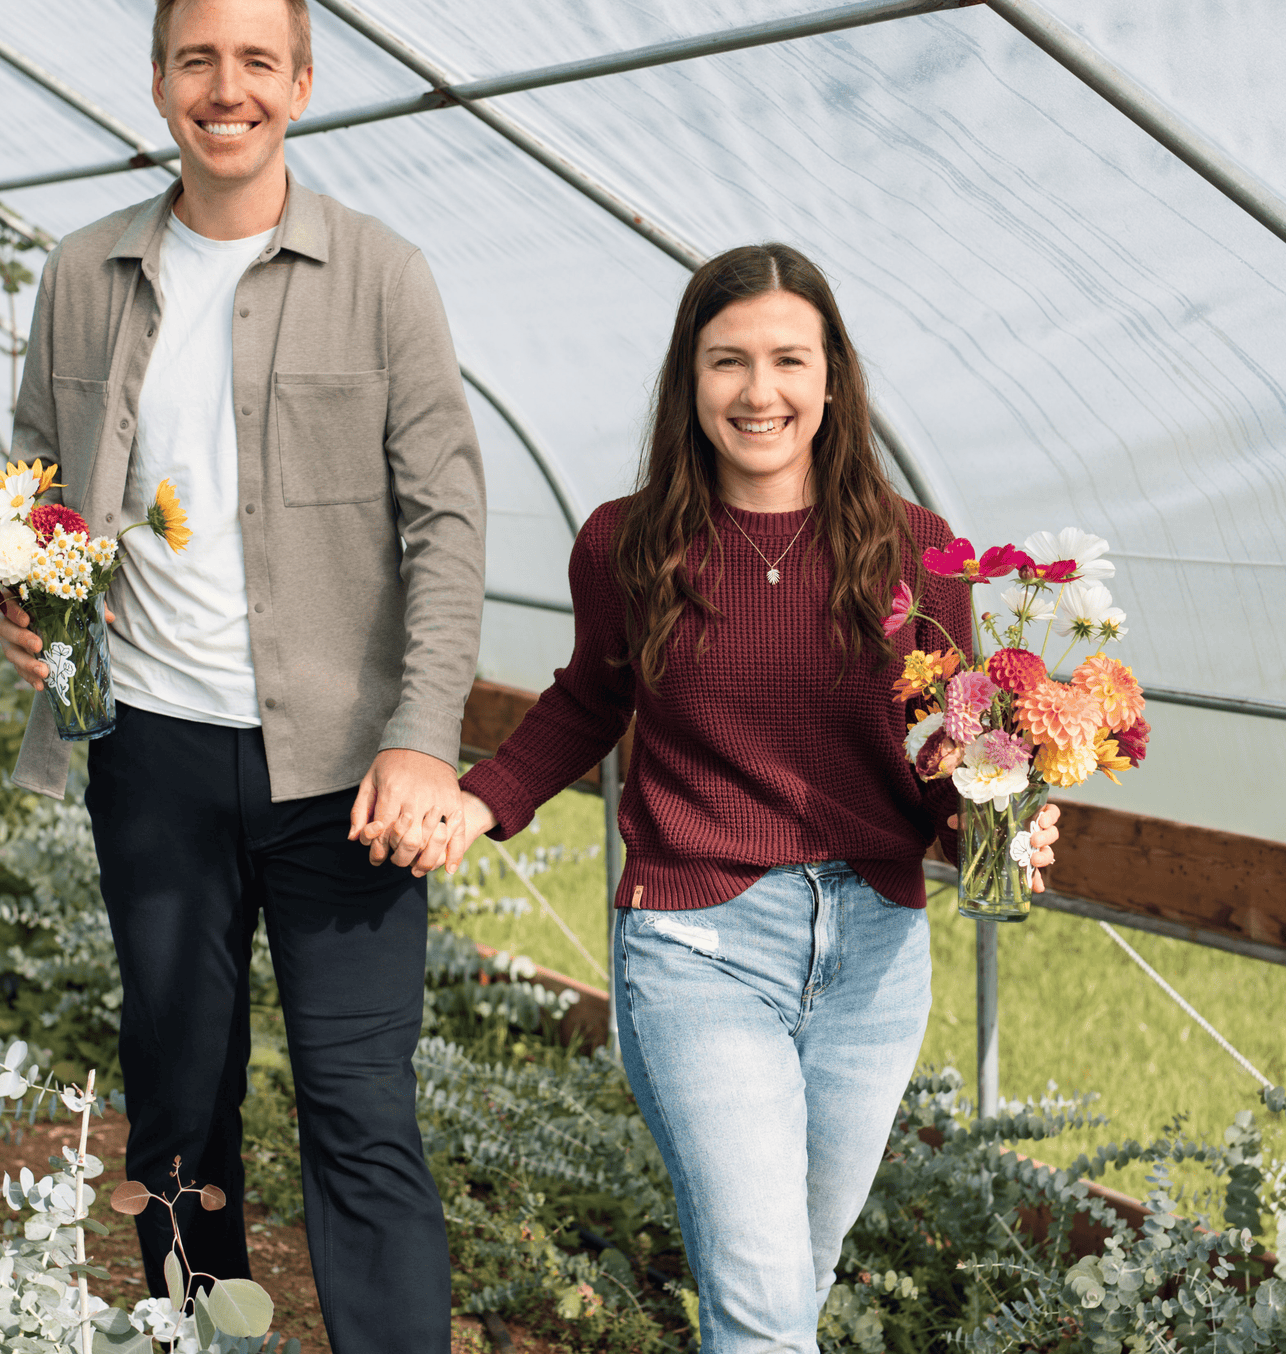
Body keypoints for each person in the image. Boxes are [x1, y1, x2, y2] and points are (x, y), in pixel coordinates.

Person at [0, 0, 484, 1353]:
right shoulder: (84, 274)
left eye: (257, 62)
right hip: (147, 751)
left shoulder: (383, 278)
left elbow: (448, 519)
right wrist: (22, 590)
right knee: (177, 1096)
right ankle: (198, 1333)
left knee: (361, 1108)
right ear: (159, 84)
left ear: (302, 84)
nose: (228, 89)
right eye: (198, 60)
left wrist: (420, 735)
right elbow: (39, 472)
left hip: (346, 772)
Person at [451, 245, 1060, 1352]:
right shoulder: (627, 542)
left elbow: (945, 744)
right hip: (698, 941)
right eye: (728, 361)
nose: (759, 391)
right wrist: (482, 799)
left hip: (874, 952)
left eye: (789, 359)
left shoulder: (920, 552)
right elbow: (590, 702)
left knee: (798, 1273)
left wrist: (994, 819)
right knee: (761, 1299)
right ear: (691, 378)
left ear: (834, 379)